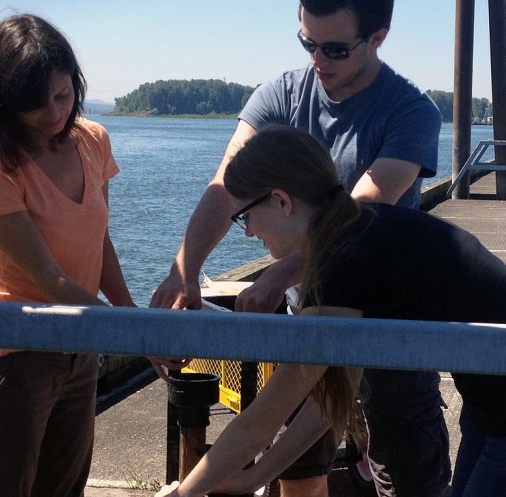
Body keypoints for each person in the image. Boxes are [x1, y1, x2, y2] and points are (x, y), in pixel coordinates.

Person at [156, 125, 506, 497]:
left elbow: (262, 420)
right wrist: (252, 477)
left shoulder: (342, 264)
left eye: (244, 217)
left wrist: (187, 491)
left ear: (282, 201)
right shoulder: (354, 233)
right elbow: (328, 403)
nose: (248, 233)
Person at [150, 1, 449, 496]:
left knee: (405, 467)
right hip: (309, 325)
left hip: (388, 334)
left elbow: (355, 216)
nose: (318, 61)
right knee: (297, 467)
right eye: (307, 43)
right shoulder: (281, 96)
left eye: (334, 48)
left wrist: (274, 275)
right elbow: (228, 184)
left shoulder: (411, 112)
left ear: (378, 36)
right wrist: (185, 268)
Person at [0, 14, 135, 497]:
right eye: (36, 104)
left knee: (65, 489)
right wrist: (137, 334)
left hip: (76, 349)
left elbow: (99, 242)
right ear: (3, 104)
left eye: (62, 95)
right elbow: (52, 280)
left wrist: (130, 313)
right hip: (11, 360)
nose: (55, 112)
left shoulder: (92, 139)